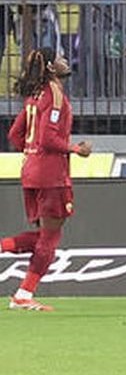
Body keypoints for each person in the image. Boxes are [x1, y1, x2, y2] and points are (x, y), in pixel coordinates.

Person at [0, 48, 93, 311]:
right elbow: (48, 138)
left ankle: (18, 282)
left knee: (44, 236)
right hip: (50, 175)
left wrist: (32, 155)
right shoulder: (54, 94)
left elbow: (15, 135)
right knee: (50, 239)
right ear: (52, 67)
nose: (65, 61)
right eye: (61, 58)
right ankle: (24, 294)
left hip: (31, 172)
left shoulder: (35, 95)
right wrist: (76, 149)